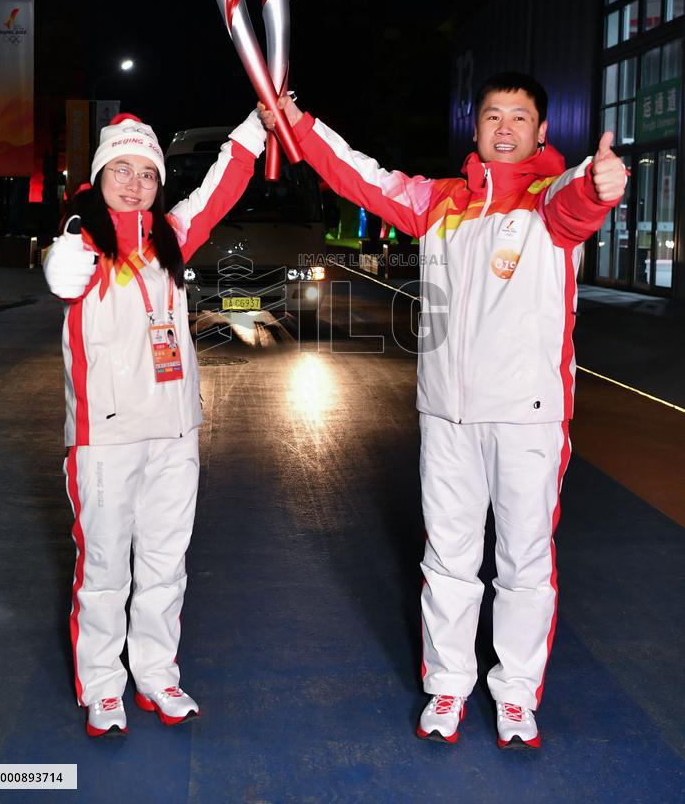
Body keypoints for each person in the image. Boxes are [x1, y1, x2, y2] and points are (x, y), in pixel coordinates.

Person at [258, 73, 627, 749]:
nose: (506, 127)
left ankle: (515, 696)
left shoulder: (549, 202)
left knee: (524, 562)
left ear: (541, 132)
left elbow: (580, 205)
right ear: (478, 129)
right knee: (449, 561)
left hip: (527, 417)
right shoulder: (440, 203)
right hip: (447, 418)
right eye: (494, 115)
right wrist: (299, 125)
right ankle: (449, 687)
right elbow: (359, 178)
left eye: (520, 117)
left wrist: (601, 184)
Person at [44, 110, 267, 737]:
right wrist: (64, 257)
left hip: (173, 435)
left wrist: (254, 125)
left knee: (166, 563)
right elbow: (63, 277)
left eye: (147, 173)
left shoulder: (171, 236)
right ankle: (103, 685)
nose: (136, 183)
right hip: (105, 440)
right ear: (99, 176)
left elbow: (222, 186)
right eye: (122, 170)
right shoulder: (81, 244)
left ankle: (156, 674)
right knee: (107, 569)